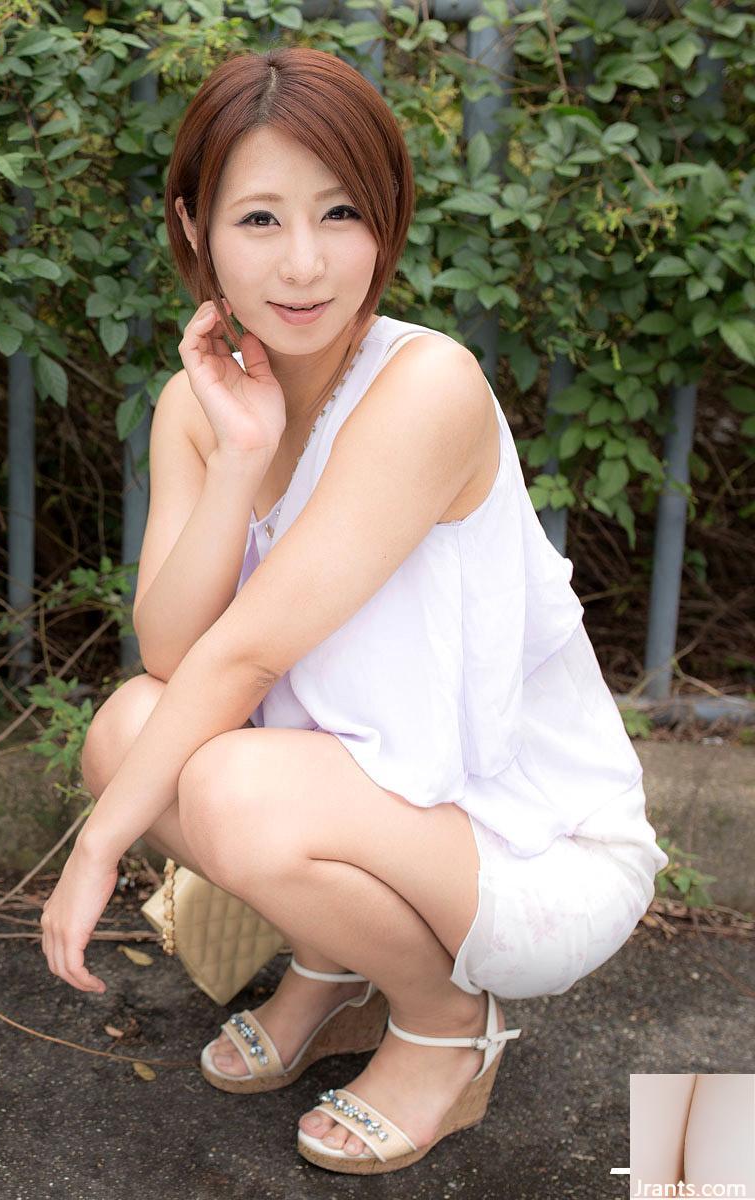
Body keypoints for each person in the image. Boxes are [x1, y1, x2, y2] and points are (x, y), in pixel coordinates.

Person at [44, 46, 668, 1175]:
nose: (304, 262)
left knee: (222, 783)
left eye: (339, 213)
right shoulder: (199, 403)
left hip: (517, 844)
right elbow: (175, 652)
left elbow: (244, 657)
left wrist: (99, 847)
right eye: (259, 219)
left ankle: (445, 1023)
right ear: (193, 229)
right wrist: (239, 456)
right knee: (127, 731)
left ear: (385, 220)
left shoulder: (425, 387)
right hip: (358, 801)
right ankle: (336, 971)